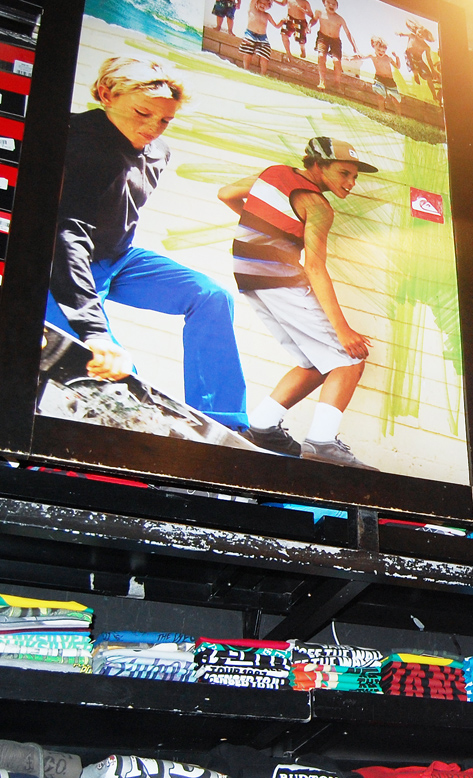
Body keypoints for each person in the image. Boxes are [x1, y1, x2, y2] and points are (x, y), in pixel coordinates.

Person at [46, 56, 247, 429]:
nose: (154, 127)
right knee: (114, 369)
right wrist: (95, 331)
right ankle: (133, 416)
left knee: (210, 296)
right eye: (142, 113)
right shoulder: (76, 140)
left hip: (117, 258)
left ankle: (221, 422)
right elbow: (67, 235)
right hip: (60, 262)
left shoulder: (158, 152)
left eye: (165, 120)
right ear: (107, 95)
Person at [217, 137, 378, 469]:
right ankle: (322, 442)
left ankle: (262, 426)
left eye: (354, 177)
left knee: (315, 361)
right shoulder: (318, 206)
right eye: (344, 173)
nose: (350, 183)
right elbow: (315, 267)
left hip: (248, 277)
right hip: (279, 278)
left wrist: (261, 226)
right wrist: (343, 330)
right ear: (317, 165)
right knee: (349, 360)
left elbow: (226, 194)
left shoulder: (273, 174)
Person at [313, 0, 355, 91]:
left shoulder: (340, 19)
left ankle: (337, 83)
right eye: (329, 2)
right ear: (324, 3)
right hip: (323, 37)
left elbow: (348, 33)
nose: (331, 5)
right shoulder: (319, 12)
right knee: (321, 56)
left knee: (336, 61)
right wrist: (309, 26)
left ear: (337, 6)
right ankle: (322, 82)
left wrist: (354, 47)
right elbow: (314, 20)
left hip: (335, 40)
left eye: (334, 4)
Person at [356, 36, 401, 115]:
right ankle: (381, 113)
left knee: (395, 99)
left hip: (389, 80)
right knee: (380, 97)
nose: (381, 52)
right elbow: (361, 57)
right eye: (379, 50)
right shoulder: (372, 55)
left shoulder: (388, 58)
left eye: (383, 51)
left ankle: (399, 116)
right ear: (374, 47)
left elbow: (398, 66)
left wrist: (397, 57)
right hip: (379, 78)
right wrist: (350, 58)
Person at [398, 19, 439, 103]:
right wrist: (400, 34)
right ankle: (415, 74)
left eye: (423, 35)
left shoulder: (426, 47)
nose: (420, 35)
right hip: (409, 55)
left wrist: (433, 70)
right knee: (415, 70)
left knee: (429, 78)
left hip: (419, 60)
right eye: (419, 32)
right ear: (416, 31)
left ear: (426, 37)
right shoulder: (412, 36)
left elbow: (429, 59)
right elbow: (403, 34)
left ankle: (434, 96)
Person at [240, 0, 279, 77]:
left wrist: (283, 21)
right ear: (256, 2)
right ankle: (246, 69)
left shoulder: (267, 15)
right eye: (261, 2)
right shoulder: (252, 9)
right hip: (250, 34)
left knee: (265, 54)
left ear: (268, 6)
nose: (262, 5)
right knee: (248, 52)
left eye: (265, 4)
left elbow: (276, 25)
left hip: (262, 37)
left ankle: (263, 74)